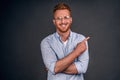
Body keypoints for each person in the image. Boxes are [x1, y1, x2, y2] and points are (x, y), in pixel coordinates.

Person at [40, 2, 90, 80]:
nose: (63, 21)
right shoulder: (46, 42)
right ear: (54, 21)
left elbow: (82, 68)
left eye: (66, 17)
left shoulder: (81, 39)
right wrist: (77, 52)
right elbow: (54, 68)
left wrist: (55, 67)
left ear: (70, 20)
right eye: (59, 18)